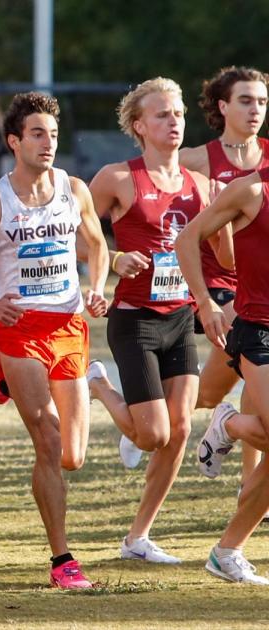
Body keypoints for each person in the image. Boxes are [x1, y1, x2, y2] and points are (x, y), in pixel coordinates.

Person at [0, 92, 109, 588]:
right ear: (14, 142)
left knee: (74, 456)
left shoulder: (74, 189)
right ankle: (62, 560)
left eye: (53, 134)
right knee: (47, 442)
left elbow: (96, 244)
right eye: (37, 134)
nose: (48, 143)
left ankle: (1, 381)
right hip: (20, 330)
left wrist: (95, 288)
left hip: (69, 328)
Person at [86, 77, 217, 565]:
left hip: (179, 315)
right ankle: (101, 387)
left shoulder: (200, 186)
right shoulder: (117, 178)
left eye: (179, 112)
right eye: (162, 114)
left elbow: (217, 251)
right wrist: (114, 260)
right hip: (134, 317)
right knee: (153, 435)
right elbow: (82, 236)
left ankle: (137, 537)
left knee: (180, 429)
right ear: (139, 126)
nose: (175, 121)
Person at [180, 67, 269, 497]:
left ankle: (247, 484)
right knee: (211, 392)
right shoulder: (199, 159)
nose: (255, 110)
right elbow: (156, 189)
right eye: (246, 101)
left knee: (235, 391)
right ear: (223, 106)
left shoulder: (267, 158)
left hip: (250, 283)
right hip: (217, 284)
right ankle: (157, 419)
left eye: (262, 102)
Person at [181, 158, 269, 585]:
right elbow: (186, 238)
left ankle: (227, 552)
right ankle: (229, 422)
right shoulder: (251, 190)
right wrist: (204, 300)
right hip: (258, 332)